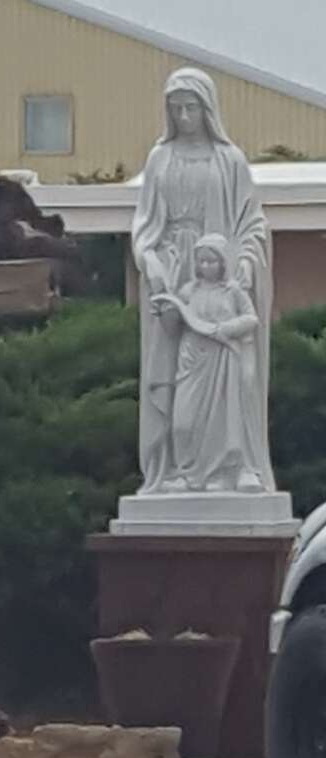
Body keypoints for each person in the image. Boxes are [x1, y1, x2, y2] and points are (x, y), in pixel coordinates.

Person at [132, 66, 275, 494]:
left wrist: (244, 263)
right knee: (176, 377)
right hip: (174, 271)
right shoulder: (160, 158)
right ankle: (179, 468)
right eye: (175, 108)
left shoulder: (229, 160)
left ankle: (234, 467)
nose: (184, 116)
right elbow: (143, 223)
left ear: (207, 109)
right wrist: (150, 259)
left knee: (232, 375)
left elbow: (253, 223)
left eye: (191, 107)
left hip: (220, 269)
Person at [152, 234, 262, 492]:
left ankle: (219, 474)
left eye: (212, 261)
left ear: (223, 263)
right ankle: (187, 473)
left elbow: (251, 319)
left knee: (220, 421)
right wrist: (165, 312)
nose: (207, 267)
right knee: (183, 422)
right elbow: (173, 329)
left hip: (223, 358)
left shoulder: (232, 290)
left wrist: (224, 328)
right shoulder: (188, 291)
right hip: (191, 360)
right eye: (202, 261)